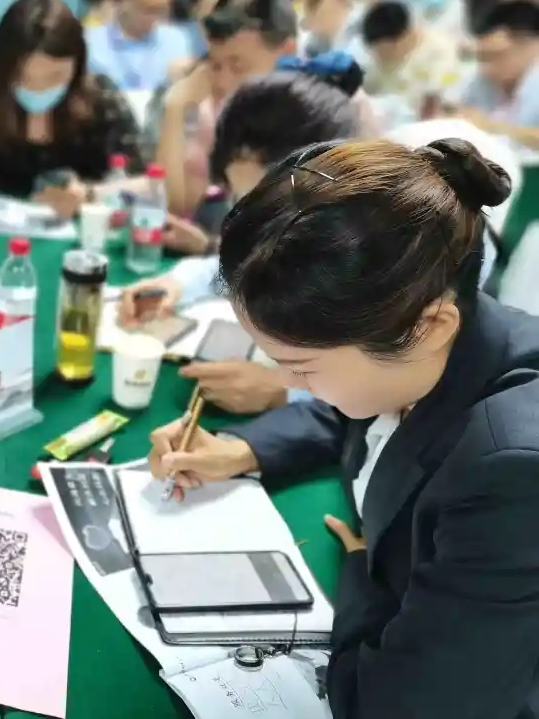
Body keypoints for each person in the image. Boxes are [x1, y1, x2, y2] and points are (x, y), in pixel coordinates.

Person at [145, 136, 539, 719]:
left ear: (429, 327)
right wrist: (241, 448)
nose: (288, 382)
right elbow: (354, 407)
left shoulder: (514, 474)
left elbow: (398, 706)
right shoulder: (428, 342)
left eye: (302, 366)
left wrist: (360, 576)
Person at [122, 68, 499, 415]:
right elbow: (261, 260)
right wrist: (178, 282)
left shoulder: (419, 251)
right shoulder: (342, 218)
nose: (264, 229)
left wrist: (285, 391)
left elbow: (384, 376)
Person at [154, 0, 378, 215]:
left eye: (238, 66)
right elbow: (176, 208)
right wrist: (175, 109)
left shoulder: (339, 103)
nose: (222, 82)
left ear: (287, 51)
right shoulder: (212, 107)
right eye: (216, 66)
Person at [0, 0, 144, 214]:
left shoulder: (101, 98)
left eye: (54, 77)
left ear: (77, 67)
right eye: (23, 77)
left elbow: (150, 182)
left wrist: (90, 195)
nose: (39, 88)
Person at [86, 0, 199, 91]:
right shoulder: (91, 43)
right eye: (146, 9)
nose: (152, 19)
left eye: (160, 11)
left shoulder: (176, 41)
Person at [458, 0, 539, 150]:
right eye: (482, 57)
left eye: (495, 56)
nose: (486, 68)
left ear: (531, 47)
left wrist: (492, 127)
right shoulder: (480, 81)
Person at [360, 0, 463, 115]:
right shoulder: (378, 62)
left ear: (404, 37)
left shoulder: (440, 51)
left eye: (384, 51)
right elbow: (367, 89)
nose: (380, 58)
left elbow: (443, 95)